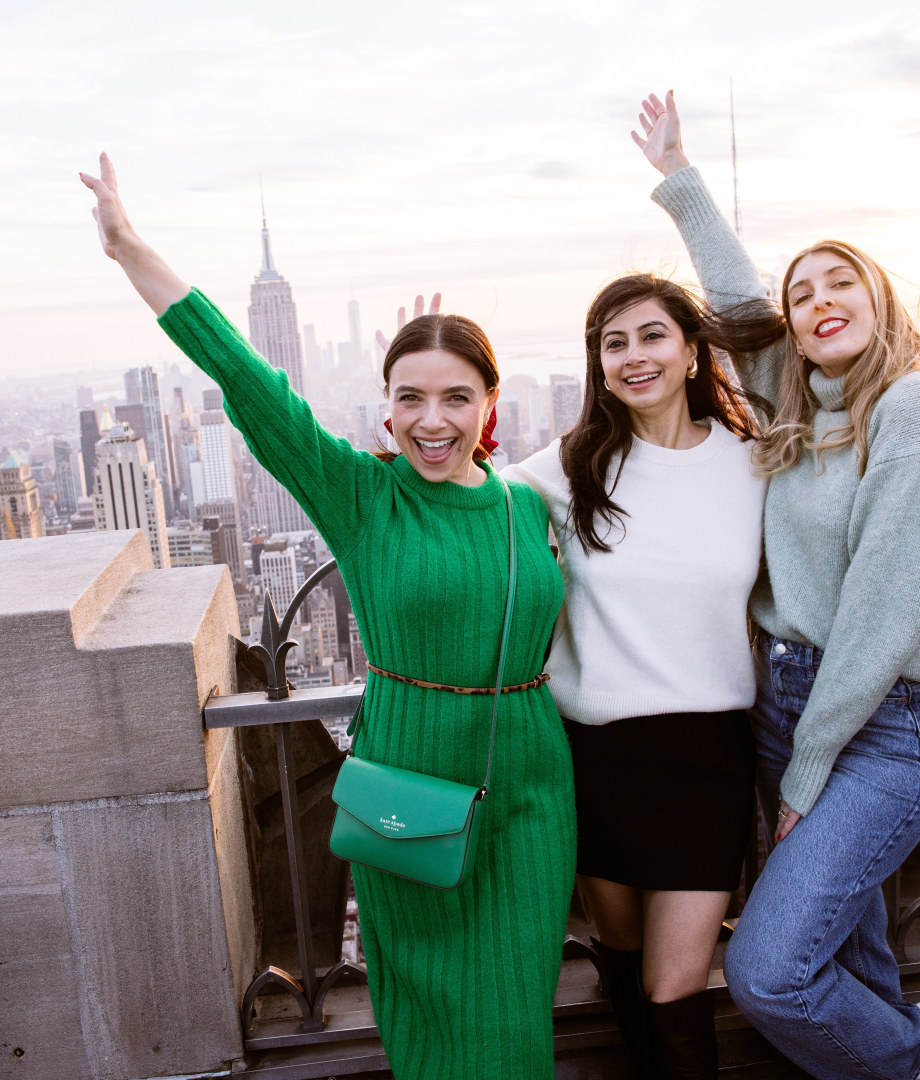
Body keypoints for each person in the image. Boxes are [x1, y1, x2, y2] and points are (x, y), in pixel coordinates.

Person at [80, 154, 576, 1080]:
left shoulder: (526, 502)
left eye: (456, 397)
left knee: (517, 1017)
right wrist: (129, 248)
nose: (434, 420)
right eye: (410, 398)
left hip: (533, 787)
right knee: (435, 1021)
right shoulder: (362, 494)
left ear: (491, 405)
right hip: (411, 782)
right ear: (384, 411)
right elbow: (249, 381)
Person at [632, 90, 920, 1080]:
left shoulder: (916, 409)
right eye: (805, 294)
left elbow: (885, 611)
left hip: (884, 725)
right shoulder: (797, 414)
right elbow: (740, 302)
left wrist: (808, 766)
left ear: (878, 303)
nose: (819, 299)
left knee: (771, 969)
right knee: (846, 948)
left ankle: (918, 1057)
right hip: (788, 699)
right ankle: (891, 1047)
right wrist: (679, 179)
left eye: (842, 282)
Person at [503, 273, 783, 1078]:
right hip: (596, 758)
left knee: (676, 983)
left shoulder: (754, 465)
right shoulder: (568, 467)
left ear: (693, 351)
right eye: (613, 342)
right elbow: (465, 493)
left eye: (652, 335)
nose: (634, 357)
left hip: (708, 760)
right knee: (622, 961)